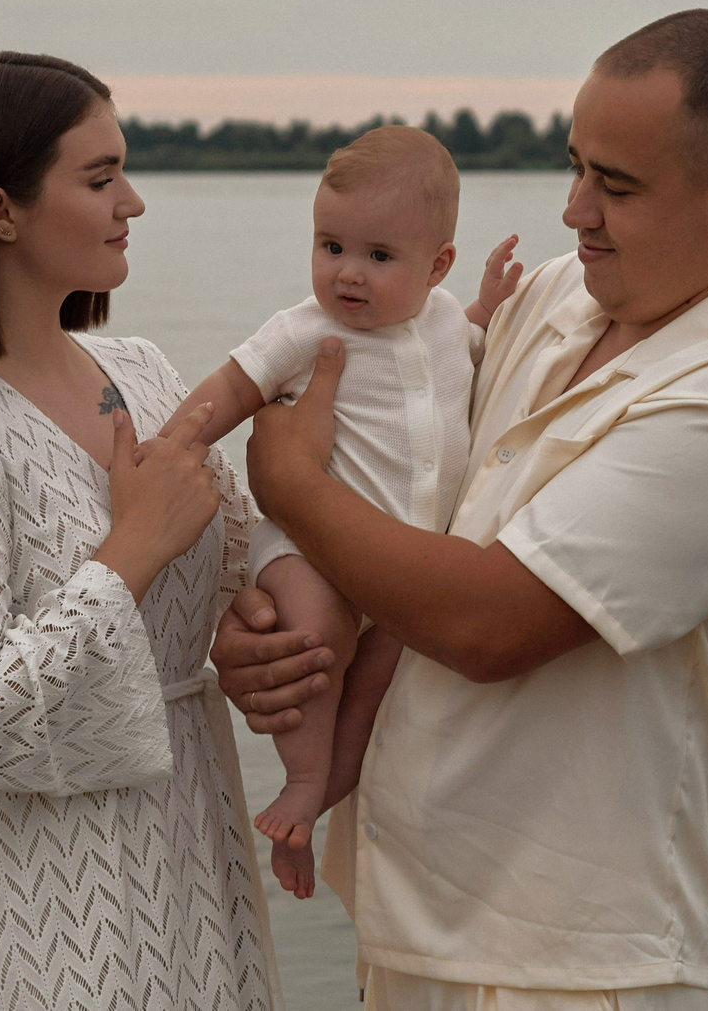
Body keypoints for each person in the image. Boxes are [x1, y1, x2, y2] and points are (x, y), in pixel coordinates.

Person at [216, 9, 708, 1010]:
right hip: (416, 922)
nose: (575, 210)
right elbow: (398, 504)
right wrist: (277, 628)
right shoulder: (552, 298)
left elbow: (485, 622)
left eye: (615, 185)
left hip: (585, 966)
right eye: (575, 166)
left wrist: (293, 490)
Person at [0, 51, 278, 1011]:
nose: (132, 201)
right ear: (2, 210)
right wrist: (130, 551)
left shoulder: (138, 370)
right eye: (100, 179)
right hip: (39, 901)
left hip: (191, 849)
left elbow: (234, 551)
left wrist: (258, 626)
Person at [171, 126, 523, 898]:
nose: (348, 273)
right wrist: (174, 442)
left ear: (437, 266)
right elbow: (233, 387)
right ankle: (300, 779)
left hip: (405, 573)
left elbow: (465, 339)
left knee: (376, 696)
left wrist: (489, 306)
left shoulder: (443, 320)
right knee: (318, 643)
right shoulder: (306, 329)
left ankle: (317, 804)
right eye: (330, 246)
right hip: (313, 554)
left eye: (378, 255)